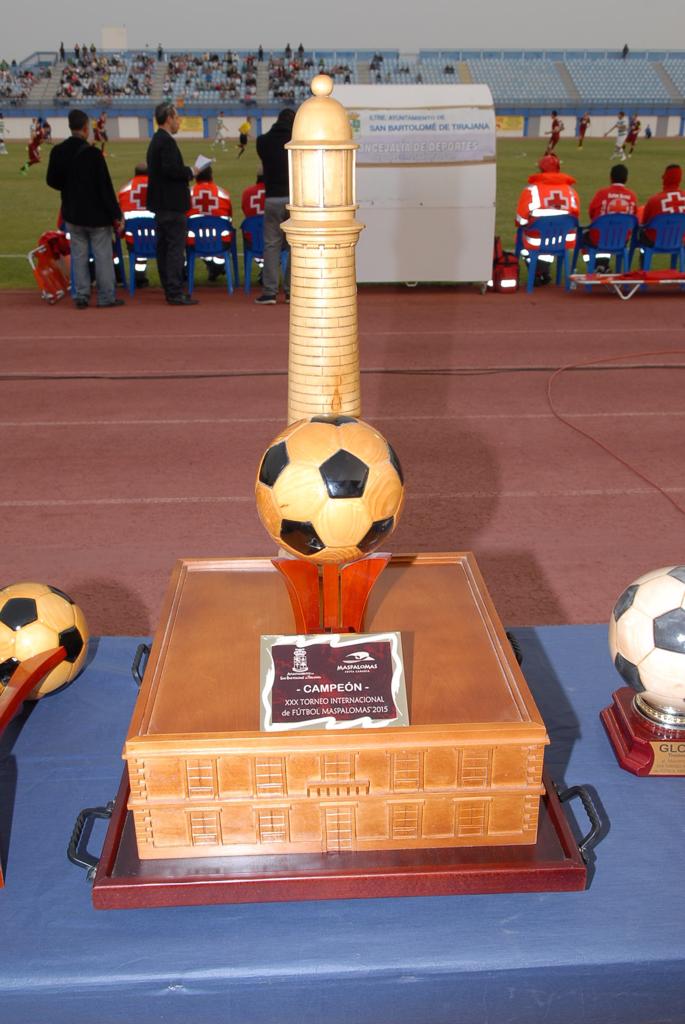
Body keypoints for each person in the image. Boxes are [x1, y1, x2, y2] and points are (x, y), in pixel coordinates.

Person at [46, 108, 124, 308]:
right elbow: (105, 188)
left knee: (79, 255)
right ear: (85, 128)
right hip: (97, 216)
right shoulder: (93, 154)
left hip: (72, 212)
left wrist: (69, 186)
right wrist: (116, 214)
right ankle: (106, 297)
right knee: (103, 256)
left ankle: (81, 295)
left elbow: (52, 181)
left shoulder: (58, 151)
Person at [146, 101, 198, 305]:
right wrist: (190, 172)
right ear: (168, 119)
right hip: (172, 204)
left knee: (165, 249)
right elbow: (170, 170)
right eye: (176, 118)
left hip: (160, 204)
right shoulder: (166, 142)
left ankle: (170, 288)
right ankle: (175, 291)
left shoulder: (156, 140)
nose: (178, 122)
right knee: (175, 249)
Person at [254, 107, 294, 304]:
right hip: (294, 199)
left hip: (272, 198)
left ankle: (270, 291)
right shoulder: (297, 141)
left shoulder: (262, 141)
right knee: (295, 246)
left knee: (271, 245)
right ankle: (291, 291)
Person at [515, 153, 579, 255]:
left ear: (541, 169)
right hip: (565, 239)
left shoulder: (531, 190)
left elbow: (520, 220)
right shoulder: (571, 190)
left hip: (536, 240)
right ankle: (544, 265)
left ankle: (537, 266)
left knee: (520, 235)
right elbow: (575, 217)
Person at [188, 164, 233, 281]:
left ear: (196, 176)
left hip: (194, 241)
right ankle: (217, 265)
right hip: (221, 240)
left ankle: (184, 273)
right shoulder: (223, 193)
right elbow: (229, 217)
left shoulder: (188, 193)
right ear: (211, 176)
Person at [585, 163, 638, 251]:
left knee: (583, 238)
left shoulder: (602, 193)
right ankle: (603, 262)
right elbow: (633, 216)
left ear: (611, 177)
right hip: (621, 238)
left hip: (599, 237)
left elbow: (591, 213)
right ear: (626, 179)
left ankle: (596, 263)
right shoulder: (632, 196)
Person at [118, 162, 151, 287]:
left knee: (137, 245)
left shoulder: (124, 190)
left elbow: (120, 215)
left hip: (134, 236)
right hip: (158, 235)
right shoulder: (158, 187)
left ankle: (139, 278)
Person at [640, 164, 685, 244]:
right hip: (679, 239)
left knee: (641, 232)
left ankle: (644, 255)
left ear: (665, 177)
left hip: (655, 240)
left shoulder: (654, 200)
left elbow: (644, 223)